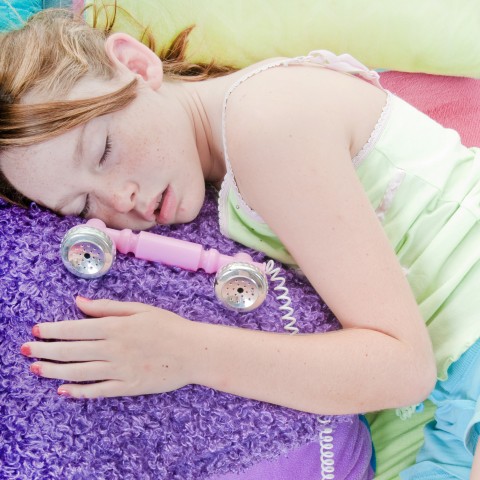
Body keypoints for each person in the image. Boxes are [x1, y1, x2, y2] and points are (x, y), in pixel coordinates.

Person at [1, 8, 479, 479]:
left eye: (104, 150)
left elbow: (401, 369)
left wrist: (186, 352)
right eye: (82, 204)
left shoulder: (265, 128)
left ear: (137, 65)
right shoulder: (227, 151)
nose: (118, 198)